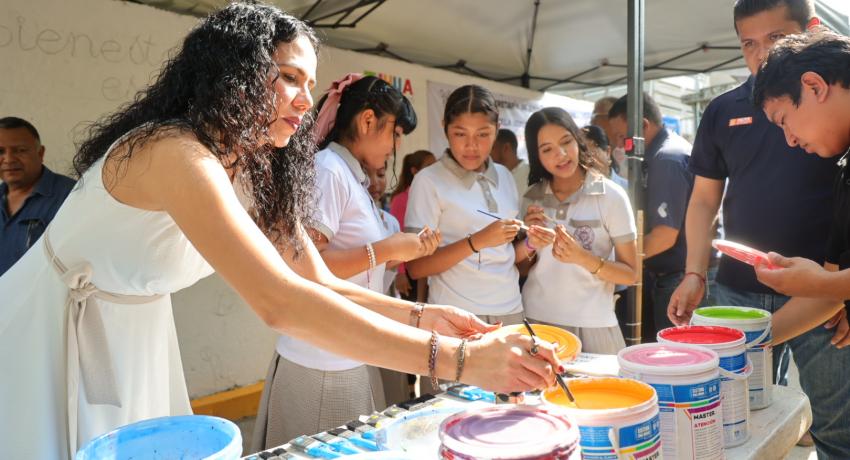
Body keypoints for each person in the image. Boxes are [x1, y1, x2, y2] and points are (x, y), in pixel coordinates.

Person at [0, 5, 558, 459]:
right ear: (233, 73)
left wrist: (425, 317)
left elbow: (315, 281)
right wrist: (459, 361)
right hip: (49, 329)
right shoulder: (173, 151)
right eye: (288, 76)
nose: (302, 98)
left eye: (308, 83)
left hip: (135, 332)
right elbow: (280, 303)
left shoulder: (257, 167)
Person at [666, 1, 850, 455]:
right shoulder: (724, 111)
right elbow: (704, 197)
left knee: (836, 428)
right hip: (754, 290)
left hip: (821, 296)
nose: (791, 141)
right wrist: (695, 273)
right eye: (749, 43)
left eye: (777, 39)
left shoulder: (838, 150)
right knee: (738, 420)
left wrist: (833, 288)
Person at [253, 73, 443, 447]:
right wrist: (388, 250)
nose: (394, 147)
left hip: (341, 347)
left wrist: (398, 249)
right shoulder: (329, 171)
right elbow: (310, 266)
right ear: (367, 121)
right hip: (322, 357)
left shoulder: (349, 175)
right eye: (395, 133)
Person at [405, 85, 550, 326]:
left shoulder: (505, 176)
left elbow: (505, 257)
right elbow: (416, 267)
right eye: (460, 134)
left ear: (497, 130)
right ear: (445, 129)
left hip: (511, 310)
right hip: (456, 315)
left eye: (483, 134)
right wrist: (476, 241)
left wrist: (531, 242)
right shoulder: (428, 180)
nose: (471, 146)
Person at [521, 108, 638, 354]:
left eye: (566, 142)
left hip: (594, 325)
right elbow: (518, 268)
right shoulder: (531, 199)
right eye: (547, 149)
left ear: (578, 140)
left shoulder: (611, 196)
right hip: (537, 323)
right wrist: (530, 243)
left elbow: (631, 274)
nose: (561, 155)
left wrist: (582, 258)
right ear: (536, 156)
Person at [608, 93, 694, 338]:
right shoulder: (660, 155)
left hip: (676, 279)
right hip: (668, 276)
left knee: (676, 360)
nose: (619, 146)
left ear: (643, 126)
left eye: (622, 138)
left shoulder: (666, 160)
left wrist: (619, 263)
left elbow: (664, 235)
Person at [0, 117, 75, 275]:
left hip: (46, 299)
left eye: (20, 150)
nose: (8, 159)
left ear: (40, 153)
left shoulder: (71, 196)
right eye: (0, 152)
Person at [389, 149, 436, 299]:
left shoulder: (435, 195)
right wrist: (401, 273)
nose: (434, 170)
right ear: (415, 171)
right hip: (411, 269)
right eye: (429, 166)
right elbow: (398, 235)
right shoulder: (401, 199)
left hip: (431, 267)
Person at [490, 128, 530, 199]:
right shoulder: (490, 177)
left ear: (506, 148)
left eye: (492, 148)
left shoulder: (531, 175)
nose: (488, 153)